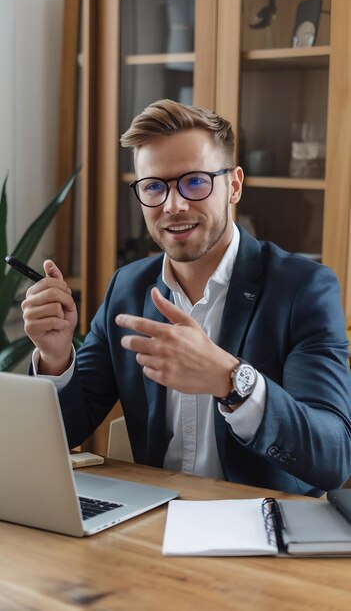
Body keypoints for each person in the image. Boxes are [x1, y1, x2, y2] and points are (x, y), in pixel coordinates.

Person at [21, 99, 351, 497]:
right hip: (153, 522)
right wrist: (55, 356)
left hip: (263, 529)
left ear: (233, 186)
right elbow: (68, 430)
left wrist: (230, 380)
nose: (173, 206)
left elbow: (333, 457)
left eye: (195, 181)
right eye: (154, 187)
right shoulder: (127, 287)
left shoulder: (303, 289)